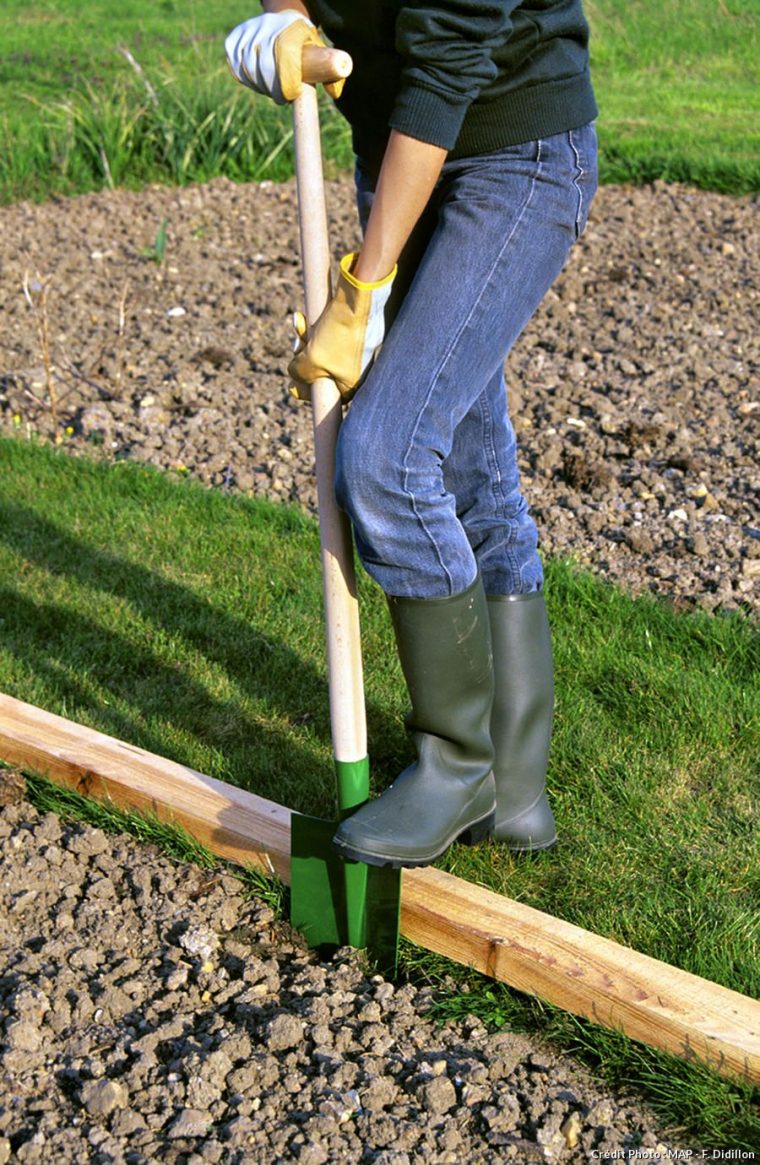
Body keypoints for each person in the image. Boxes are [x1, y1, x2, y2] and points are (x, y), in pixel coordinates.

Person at [226, 1, 598, 869]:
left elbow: (445, 70)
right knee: (472, 466)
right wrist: (287, 24)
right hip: (395, 146)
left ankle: (456, 763)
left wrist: (363, 288)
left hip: (515, 154)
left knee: (387, 455)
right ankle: (513, 795)